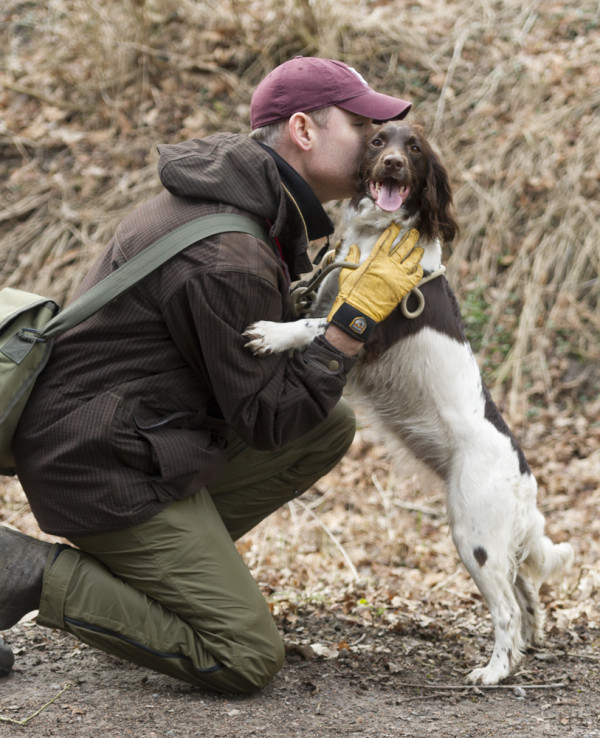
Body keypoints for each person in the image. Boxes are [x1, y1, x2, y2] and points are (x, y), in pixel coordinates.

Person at [0, 57, 422, 692]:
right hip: (96, 464)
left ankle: (147, 591)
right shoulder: (229, 254)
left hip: (131, 434)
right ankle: (23, 570)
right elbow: (269, 416)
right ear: (304, 131)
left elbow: (264, 394)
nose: (378, 146)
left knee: (327, 425)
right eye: (365, 127)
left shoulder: (234, 203)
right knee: (244, 656)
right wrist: (349, 325)